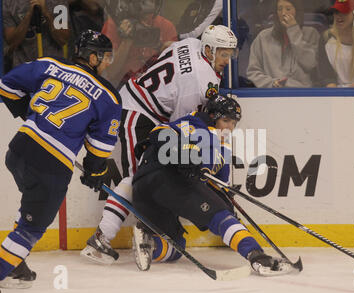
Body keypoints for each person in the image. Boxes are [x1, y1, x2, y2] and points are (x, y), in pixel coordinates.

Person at [80, 25, 238, 266]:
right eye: (223, 54)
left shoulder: (194, 45)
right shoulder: (198, 82)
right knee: (140, 178)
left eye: (230, 54)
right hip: (138, 112)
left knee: (148, 176)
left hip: (148, 109)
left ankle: (146, 233)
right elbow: (183, 127)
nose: (227, 60)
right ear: (208, 49)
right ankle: (102, 239)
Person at [0, 30, 121, 289]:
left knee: (31, 207)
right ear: (91, 56)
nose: (108, 63)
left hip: (19, 149)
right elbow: (99, 147)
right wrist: (94, 171)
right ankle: (6, 265)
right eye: (105, 57)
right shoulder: (108, 96)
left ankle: (15, 265)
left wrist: (28, 113)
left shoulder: (49, 64)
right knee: (31, 229)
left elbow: (7, 85)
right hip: (50, 164)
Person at [130, 94, 295, 276]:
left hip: (141, 189)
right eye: (226, 120)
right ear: (212, 116)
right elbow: (158, 136)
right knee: (220, 216)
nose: (230, 127)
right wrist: (183, 155)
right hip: (167, 180)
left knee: (177, 247)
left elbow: (219, 182)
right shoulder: (202, 130)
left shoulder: (195, 128)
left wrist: (225, 199)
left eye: (234, 123)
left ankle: (149, 241)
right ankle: (258, 258)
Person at [100, 0, 178, 88]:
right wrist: (126, 41)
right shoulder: (113, 25)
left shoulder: (166, 26)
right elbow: (109, 73)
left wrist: (170, 53)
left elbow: (175, 72)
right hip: (122, 83)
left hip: (155, 84)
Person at [246, 0, 320, 88]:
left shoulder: (311, 33)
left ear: (297, 11)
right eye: (279, 9)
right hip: (271, 94)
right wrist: (273, 83)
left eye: (288, 9)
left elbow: (310, 64)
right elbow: (253, 72)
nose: (283, 13)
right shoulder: (263, 37)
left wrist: (293, 30)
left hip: (302, 93)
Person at [2, 0, 70, 68]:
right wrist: (28, 15)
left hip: (53, 68)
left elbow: (63, 39)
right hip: (23, 68)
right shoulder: (9, 3)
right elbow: (12, 43)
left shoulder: (58, 2)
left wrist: (46, 13)